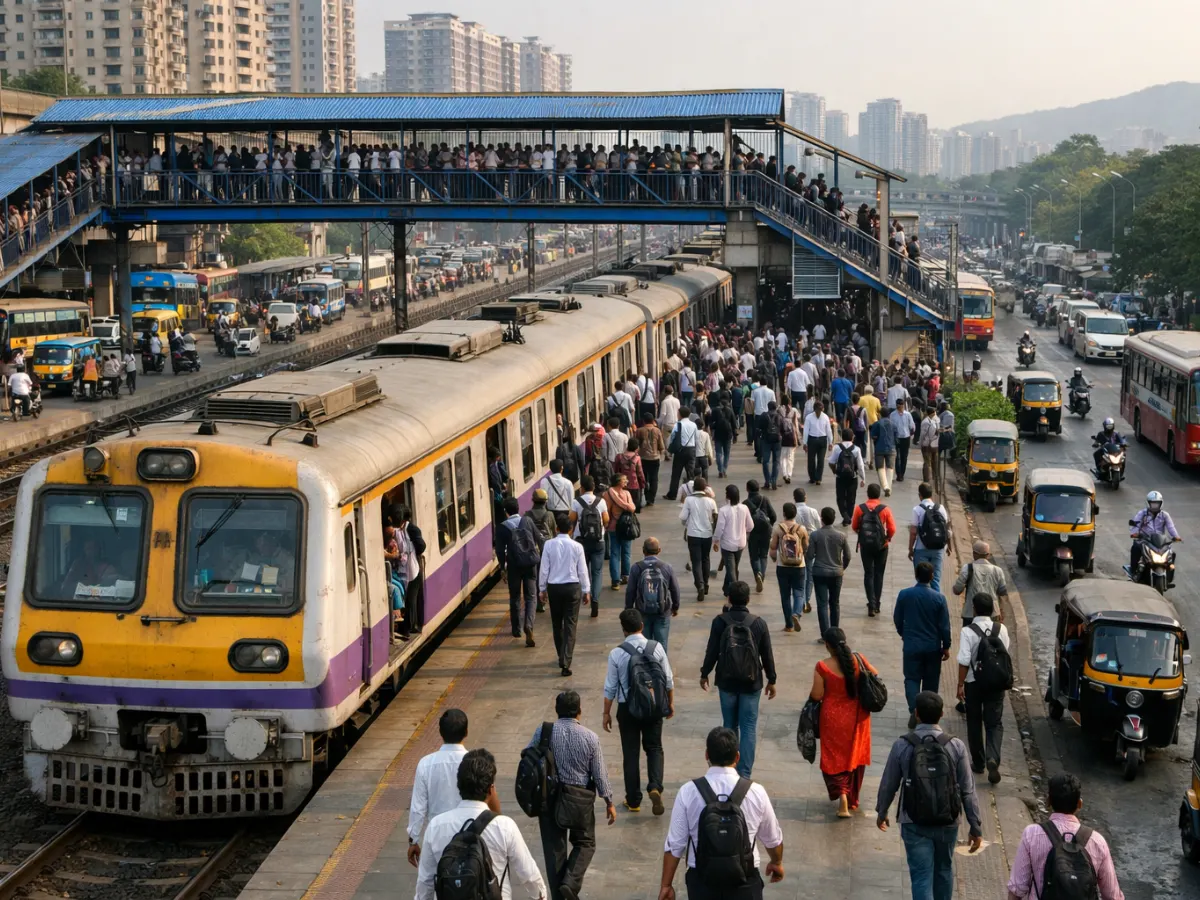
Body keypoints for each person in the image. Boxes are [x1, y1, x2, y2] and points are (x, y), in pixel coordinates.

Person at [876, 692, 983, 900]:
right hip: (948, 821)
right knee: (944, 870)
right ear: (941, 714)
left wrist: (882, 811)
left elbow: (889, 783)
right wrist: (975, 825)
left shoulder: (902, 745)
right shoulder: (956, 746)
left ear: (916, 714)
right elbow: (967, 790)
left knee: (921, 876)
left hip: (913, 821)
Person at [658, 727, 784, 900]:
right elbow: (773, 839)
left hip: (703, 884)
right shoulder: (756, 792)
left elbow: (675, 845)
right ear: (737, 757)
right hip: (745, 882)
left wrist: (666, 885)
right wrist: (776, 862)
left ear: (707, 755)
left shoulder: (688, 792)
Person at [414, 747, 546, 900]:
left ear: (459, 786)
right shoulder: (504, 826)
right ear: (491, 789)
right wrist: (540, 896)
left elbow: (425, 883)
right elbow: (529, 876)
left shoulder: (436, 826)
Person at [530, 692, 615, 900]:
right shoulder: (590, 738)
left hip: (549, 800)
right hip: (579, 800)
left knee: (554, 851)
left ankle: (560, 895)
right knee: (585, 843)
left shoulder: (544, 731)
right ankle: (570, 882)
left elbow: (528, 757)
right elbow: (600, 773)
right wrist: (609, 801)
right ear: (579, 711)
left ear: (556, 710)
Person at [699, 581, 777, 777]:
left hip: (726, 682)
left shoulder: (720, 622)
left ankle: (727, 769)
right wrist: (772, 679)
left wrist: (704, 673)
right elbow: (767, 654)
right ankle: (745, 774)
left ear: (729, 599)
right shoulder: (758, 623)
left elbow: (712, 650)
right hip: (752, 682)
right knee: (748, 727)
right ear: (748, 599)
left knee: (729, 726)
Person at [1005, 773, 1124, 900]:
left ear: (1048, 801)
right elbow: (1113, 896)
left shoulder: (1032, 834)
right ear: (1079, 804)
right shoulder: (1097, 841)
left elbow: (1017, 889)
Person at [603, 608, 674, 815]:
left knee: (631, 753)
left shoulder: (617, 653)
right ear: (642, 626)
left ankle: (633, 800)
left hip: (628, 709)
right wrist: (670, 704)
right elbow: (668, 680)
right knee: (654, 747)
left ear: (623, 629)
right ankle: (655, 786)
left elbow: (610, 687)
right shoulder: (656, 647)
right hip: (653, 705)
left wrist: (606, 713)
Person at [809, 627, 875, 817]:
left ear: (827, 645)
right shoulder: (859, 659)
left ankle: (843, 795)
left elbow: (817, 695)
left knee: (833, 758)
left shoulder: (822, 666)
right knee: (855, 754)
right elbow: (874, 675)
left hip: (832, 719)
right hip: (859, 718)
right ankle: (851, 798)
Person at [956, 592, 1010, 785]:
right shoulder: (1001, 629)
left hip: (974, 683)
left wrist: (960, 684)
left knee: (974, 721)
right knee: (994, 723)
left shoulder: (968, 631)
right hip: (996, 683)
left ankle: (978, 763)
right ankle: (992, 758)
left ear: (974, 609)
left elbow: (964, 661)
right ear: (992, 610)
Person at [406, 709, 469, 867]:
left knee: (433, 878)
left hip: (436, 837)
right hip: (468, 836)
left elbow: (418, 807)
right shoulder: (473, 762)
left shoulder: (426, 764)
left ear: (440, 732)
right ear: (466, 732)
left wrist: (413, 840)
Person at [894, 561, 952, 729]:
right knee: (931, 682)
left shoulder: (905, 595)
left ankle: (915, 710)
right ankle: (927, 715)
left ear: (916, 575)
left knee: (911, 679)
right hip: (932, 647)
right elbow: (944, 626)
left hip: (911, 646)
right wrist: (946, 646)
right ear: (932, 576)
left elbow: (897, 618)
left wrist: (904, 634)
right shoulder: (939, 598)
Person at [538, 513, 591, 677]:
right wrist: (586, 590)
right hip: (572, 588)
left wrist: (542, 589)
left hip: (554, 588)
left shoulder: (548, 545)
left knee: (557, 623)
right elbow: (582, 570)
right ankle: (566, 660)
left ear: (556, 528)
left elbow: (544, 568)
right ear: (571, 529)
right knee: (570, 624)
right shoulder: (577, 546)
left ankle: (560, 654)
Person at [497, 497, 546, 646]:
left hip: (514, 566)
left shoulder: (502, 527)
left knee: (515, 597)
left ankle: (516, 629)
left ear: (505, 511)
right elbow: (540, 539)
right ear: (518, 508)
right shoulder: (528, 521)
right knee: (531, 596)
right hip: (530, 563)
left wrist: (502, 568)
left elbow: (500, 551)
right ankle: (529, 625)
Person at [625, 537, 681, 647]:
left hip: (643, 611)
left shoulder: (636, 567)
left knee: (644, 644)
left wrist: (629, 609)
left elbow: (630, 591)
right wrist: (675, 607)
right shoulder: (666, 567)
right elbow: (675, 589)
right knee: (661, 644)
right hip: (662, 611)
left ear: (643, 550)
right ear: (659, 550)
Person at [851, 483, 897, 617]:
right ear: (879, 495)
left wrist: (864, 535)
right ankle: (877, 603)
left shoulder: (860, 509)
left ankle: (870, 604)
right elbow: (892, 528)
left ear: (867, 494)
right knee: (879, 574)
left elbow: (854, 526)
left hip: (865, 546)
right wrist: (887, 538)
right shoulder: (885, 509)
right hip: (882, 546)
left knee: (868, 573)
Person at [569, 475, 608, 618]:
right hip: (598, 541)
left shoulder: (576, 502)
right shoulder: (601, 501)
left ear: (582, 488)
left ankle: (584, 595)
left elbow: (571, 519)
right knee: (597, 572)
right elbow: (606, 519)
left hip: (581, 541)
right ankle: (595, 599)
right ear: (594, 487)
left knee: (582, 571)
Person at [807, 507, 850, 638]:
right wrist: (842, 567)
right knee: (835, 603)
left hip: (819, 572)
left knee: (822, 604)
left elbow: (810, 555)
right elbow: (847, 556)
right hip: (836, 573)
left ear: (822, 519)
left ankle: (825, 634)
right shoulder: (841, 536)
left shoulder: (815, 535)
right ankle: (835, 633)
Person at [768, 502, 809, 633]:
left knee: (785, 595)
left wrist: (774, 558)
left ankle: (789, 625)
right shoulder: (802, 529)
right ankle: (796, 613)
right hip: (799, 565)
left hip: (783, 566)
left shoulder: (778, 528)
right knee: (799, 592)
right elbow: (806, 546)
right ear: (795, 514)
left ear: (784, 514)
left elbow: (773, 548)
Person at [951, 540, 1008, 627]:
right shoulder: (997, 570)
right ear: (988, 555)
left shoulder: (967, 568)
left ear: (974, 554)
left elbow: (957, 590)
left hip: (971, 613)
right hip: (992, 613)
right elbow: (1003, 591)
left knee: (969, 634)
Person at [679, 477, 718, 601]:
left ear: (694, 487)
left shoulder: (689, 500)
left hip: (693, 534)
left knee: (696, 561)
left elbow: (683, 517)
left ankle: (699, 585)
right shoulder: (711, 501)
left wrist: (687, 521)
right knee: (706, 559)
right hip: (707, 534)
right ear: (705, 488)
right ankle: (706, 584)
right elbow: (715, 517)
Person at [714, 483, 755, 598]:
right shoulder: (744, 508)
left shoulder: (723, 510)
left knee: (731, 570)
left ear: (728, 496)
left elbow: (720, 528)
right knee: (733, 566)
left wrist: (715, 540)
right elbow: (751, 526)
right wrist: (743, 531)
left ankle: (736, 593)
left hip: (727, 545)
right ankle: (726, 588)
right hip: (741, 543)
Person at [909, 482, 952, 591]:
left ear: (920, 495)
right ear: (931, 494)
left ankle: (922, 600)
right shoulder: (941, 508)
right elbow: (947, 529)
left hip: (921, 549)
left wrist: (910, 549)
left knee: (921, 581)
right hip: (938, 549)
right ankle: (936, 600)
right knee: (935, 580)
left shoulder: (917, 509)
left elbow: (913, 532)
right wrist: (949, 546)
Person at [827, 428, 866, 526]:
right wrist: (863, 478)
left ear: (842, 437)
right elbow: (860, 465)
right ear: (852, 437)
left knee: (840, 498)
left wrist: (835, 471)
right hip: (853, 477)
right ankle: (848, 517)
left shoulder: (837, 448)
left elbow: (831, 462)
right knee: (851, 499)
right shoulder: (856, 449)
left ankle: (845, 517)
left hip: (840, 477)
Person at [742, 480, 776, 593]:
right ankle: (762, 575)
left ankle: (757, 573)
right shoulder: (764, 499)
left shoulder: (745, 503)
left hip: (752, 532)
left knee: (754, 556)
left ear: (747, 489)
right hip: (766, 531)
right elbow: (774, 516)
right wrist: (769, 525)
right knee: (763, 555)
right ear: (758, 488)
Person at [665, 407, 699, 500]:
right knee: (690, 473)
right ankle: (692, 492)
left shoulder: (678, 424)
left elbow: (673, 436)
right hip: (691, 450)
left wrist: (670, 448)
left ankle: (672, 494)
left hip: (680, 451)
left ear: (680, 414)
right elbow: (696, 438)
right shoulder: (693, 424)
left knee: (676, 474)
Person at [636, 414, 666, 504]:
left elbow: (636, 445)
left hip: (643, 458)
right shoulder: (657, 430)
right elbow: (661, 446)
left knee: (644, 478)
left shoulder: (639, 431)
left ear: (643, 421)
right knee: (654, 478)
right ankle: (651, 498)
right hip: (655, 458)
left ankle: (646, 495)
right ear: (653, 421)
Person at [802, 399, 833, 485]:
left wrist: (830, 442)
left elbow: (828, 430)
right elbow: (806, 431)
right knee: (811, 460)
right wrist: (805, 442)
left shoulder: (825, 417)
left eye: (820, 410)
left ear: (822, 409)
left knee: (821, 460)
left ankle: (818, 478)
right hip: (812, 439)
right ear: (814, 409)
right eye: (817, 410)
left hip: (822, 440)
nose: (819, 412)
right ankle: (813, 478)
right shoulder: (809, 417)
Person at [889, 399, 916, 482]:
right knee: (897, 457)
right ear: (896, 405)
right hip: (897, 437)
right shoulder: (892, 415)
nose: (900, 407)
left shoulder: (908, 414)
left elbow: (912, 426)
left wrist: (911, 434)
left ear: (903, 405)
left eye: (901, 405)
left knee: (904, 456)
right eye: (898, 405)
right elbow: (890, 426)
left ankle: (902, 474)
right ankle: (898, 474)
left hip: (906, 437)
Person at [919, 406, 940, 486]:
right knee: (934, 461)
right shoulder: (935, 420)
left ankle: (927, 479)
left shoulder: (925, 422)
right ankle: (935, 477)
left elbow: (922, 435)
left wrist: (921, 443)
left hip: (927, 444)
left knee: (927, 462)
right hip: (934, 444)